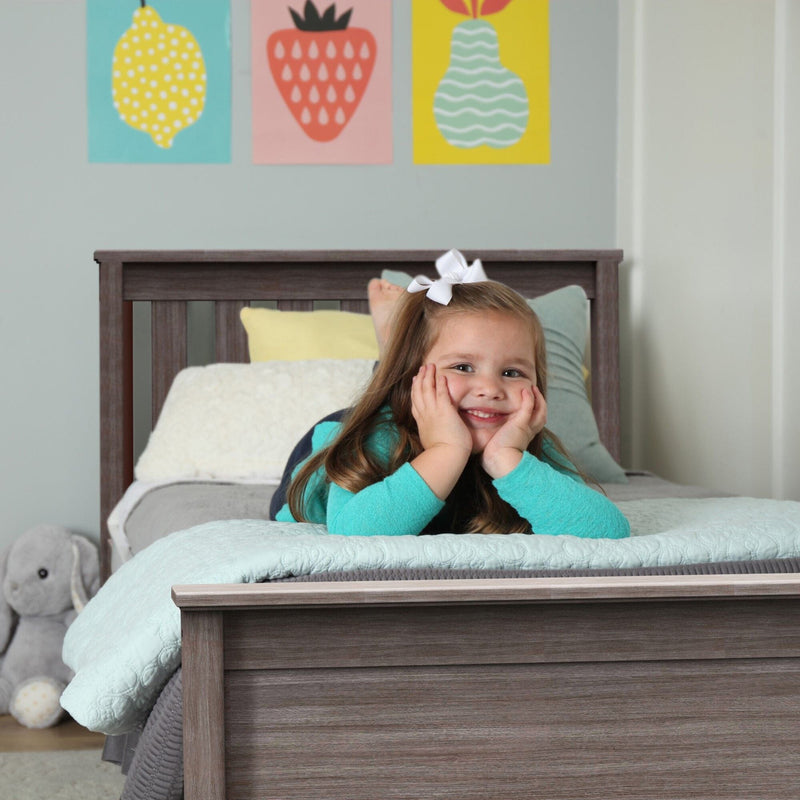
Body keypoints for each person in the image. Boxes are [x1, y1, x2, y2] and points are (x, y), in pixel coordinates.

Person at [273, 251, 630, 539]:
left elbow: (608, 531)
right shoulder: (375, 440)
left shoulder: (530, 447)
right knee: (386, 394)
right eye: (463, 367)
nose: (490, 389)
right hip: (336, 436)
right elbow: (356, 532)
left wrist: (508, 459)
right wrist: (446, 451)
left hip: (427, 397)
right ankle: (393, 351)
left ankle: (399, 343)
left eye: (512, 373)